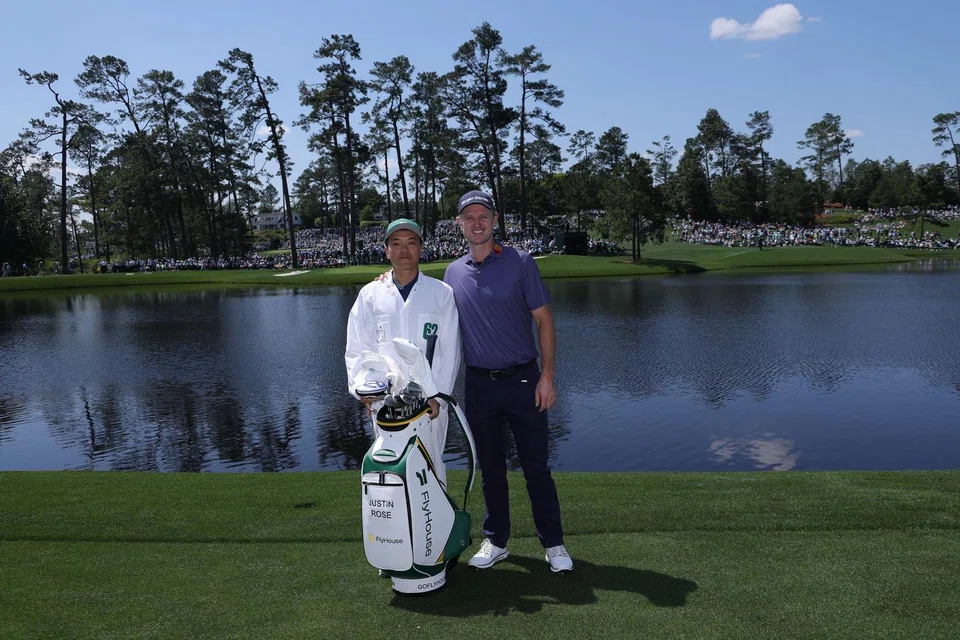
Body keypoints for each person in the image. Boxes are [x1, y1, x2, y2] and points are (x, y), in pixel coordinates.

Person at [444, 190, 573, 573]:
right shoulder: (452, 272)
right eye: (470, 217)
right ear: (460, 225)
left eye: (484, 215)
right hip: (480, 386)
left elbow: (544, 320)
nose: (477, 222)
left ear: (495, 220)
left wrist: (547, 377)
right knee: (491, 469)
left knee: (536, 467)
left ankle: (553, 543)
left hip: (523, 381)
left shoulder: (520, 262)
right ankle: (497, 540)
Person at [344, 218, 461, 489]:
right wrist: (364, 392)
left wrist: (439, 400)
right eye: (396, 244)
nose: (404, 250)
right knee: (391, 476)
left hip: (429, 406)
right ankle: (395, 533)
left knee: (431, 474)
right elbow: (356, 349)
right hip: (385, 406)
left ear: (421, 248)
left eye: (411, 243)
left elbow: (450, 352)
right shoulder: (370, 295)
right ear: (386, 250)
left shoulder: (441, 293)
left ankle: (438, 531)